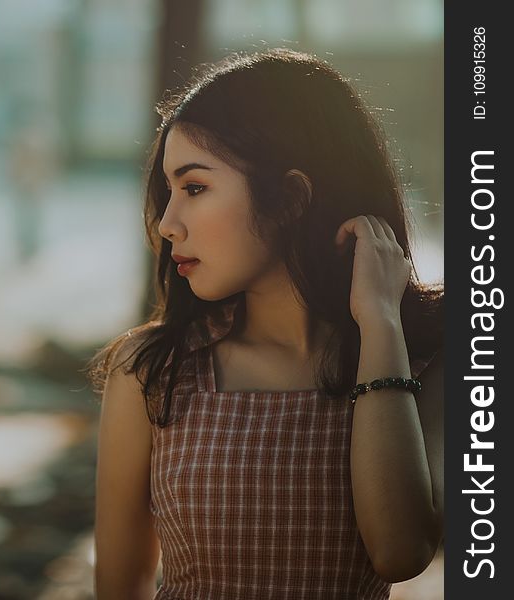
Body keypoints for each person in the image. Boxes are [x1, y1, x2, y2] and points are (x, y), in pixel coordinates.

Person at [86, 47, 443, 600]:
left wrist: (380, 325)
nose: (168, 224)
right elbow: (117, 588)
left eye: (196, 188)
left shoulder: (420, 357)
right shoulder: (151, 372)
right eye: (169, 192)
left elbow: (401, 552)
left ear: (291, 197)